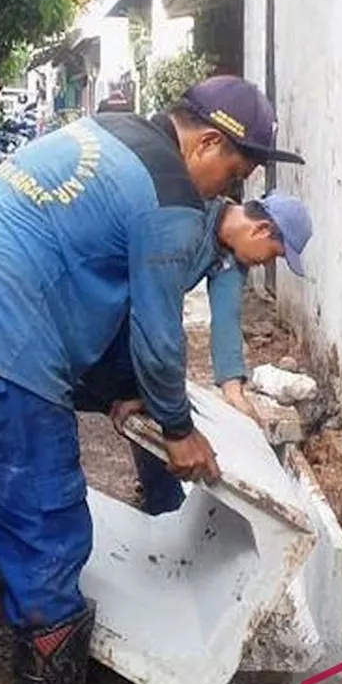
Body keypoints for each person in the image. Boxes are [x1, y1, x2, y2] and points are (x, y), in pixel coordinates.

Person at [0, 75, 305, 684]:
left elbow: (87, 282)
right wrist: (180, 430)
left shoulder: (103, 133)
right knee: (48, 535)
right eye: (233, 172)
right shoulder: (171, 192)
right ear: (209, 141)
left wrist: (113, 393)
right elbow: (157, 334)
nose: (226, 189)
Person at [75, 193, 314, 516]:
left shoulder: (231, 255)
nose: (268, 263)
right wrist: (157, 394)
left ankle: (164, 509)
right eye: (275, 253)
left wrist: (234, 392)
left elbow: (226, 317)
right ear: (261, 230)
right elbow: (155, 320)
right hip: (96, 316)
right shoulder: (185, 221)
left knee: (155, 407)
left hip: (130, 327)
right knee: (65, 401)